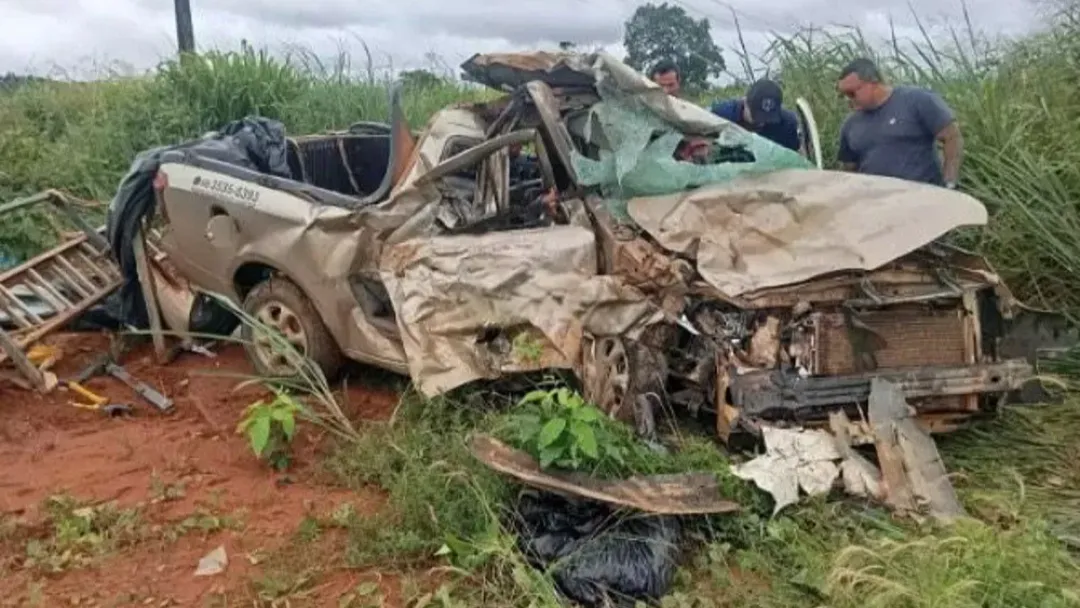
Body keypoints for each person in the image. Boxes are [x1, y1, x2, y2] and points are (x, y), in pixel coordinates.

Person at [836, 57, 963, 189]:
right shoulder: (850, 125)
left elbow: (952, 137)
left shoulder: (917, 101)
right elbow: (849, 170)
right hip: (875, 203)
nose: (848, 100)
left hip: (921, 198)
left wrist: (949, 183)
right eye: (843, 95)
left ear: (873, 82)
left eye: (851, 93)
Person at [710, 79, 800, 152]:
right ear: (745, 102)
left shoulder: (787, 123)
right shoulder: (720, 116)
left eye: (768, 118)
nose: (761, 122)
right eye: (756, 117)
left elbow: (796, 154)